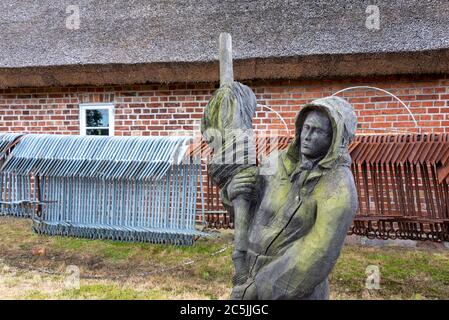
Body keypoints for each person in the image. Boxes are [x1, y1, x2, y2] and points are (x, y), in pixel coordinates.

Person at [222, 96, 359, 299]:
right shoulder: (275, 163)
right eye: (306, 128)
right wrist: (232, 192)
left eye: (318, 131)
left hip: (293, 288)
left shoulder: (339, 186)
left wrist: (260, 287)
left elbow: (317, 252)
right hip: (247, 272)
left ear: (334, 138)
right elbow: (248, 213)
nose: (308, 136)